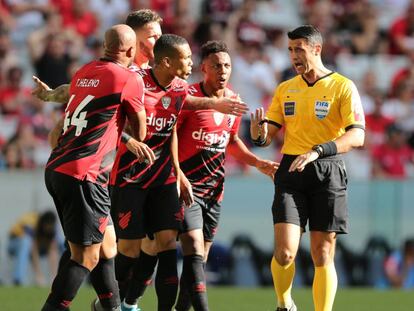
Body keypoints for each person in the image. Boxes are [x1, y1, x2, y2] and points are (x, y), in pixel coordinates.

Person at [111, 34, 248, 311]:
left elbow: (173, 126)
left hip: (164, 181)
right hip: (130, 178)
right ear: (166, 61)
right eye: (186, 58)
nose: (190, 62)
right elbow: (110, 121)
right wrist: (130, 141)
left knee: (167, 246)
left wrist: (176, 171)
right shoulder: (135, 82)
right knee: (132, 250)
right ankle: (113, 301)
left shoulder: (180, 88)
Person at [250, 25, 365, 311]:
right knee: (285, 252)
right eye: (290, 50)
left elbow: (357, 136)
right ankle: (283, 303)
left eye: (299, 48)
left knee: (322, 252)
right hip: (291, 170)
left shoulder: (342, 86)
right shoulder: (285, 89)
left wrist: (318, 150)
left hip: (328, 169)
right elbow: (268, 135)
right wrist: (258, 135)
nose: (293, 56)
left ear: (316, 49)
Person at [40, 24, 154, 311]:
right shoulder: (128, 78)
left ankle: (112, 308)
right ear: (130, 50)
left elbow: (76, 106)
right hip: (85, 175)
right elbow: (141, 132)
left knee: (107, 248)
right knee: (85, 257)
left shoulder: (84, 71)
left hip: (59, 167)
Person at [171, 40, 278, 311]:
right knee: (193, 249)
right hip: (187, 187)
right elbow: (169, 135)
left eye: (227, 65)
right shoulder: (190, 98)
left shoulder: (233, 101)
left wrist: (257, 162)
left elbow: (231, 142)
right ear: (203, 67)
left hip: (215, 190)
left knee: (199, 259)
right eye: (217, 65)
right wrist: (177, 173)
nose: (223, 70)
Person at [8, 210, 63, 286]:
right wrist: (38, 274)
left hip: (36, 247)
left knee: (61, 242)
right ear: (43, 224)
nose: (49, 229)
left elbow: (52, 248)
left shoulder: (54, 227)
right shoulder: (32, 223)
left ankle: (60, 279)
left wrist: (54, 276)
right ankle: (18, 279)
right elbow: (34, 250)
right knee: (26, 241)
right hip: (15, 244)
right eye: (48, 226)